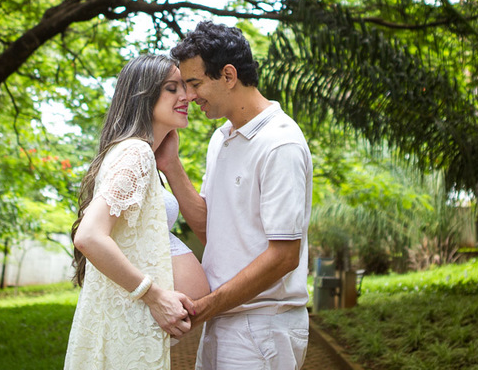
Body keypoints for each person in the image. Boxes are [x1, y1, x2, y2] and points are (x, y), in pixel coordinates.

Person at [156, 22, 314, 370]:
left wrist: (205, 307)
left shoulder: (279, 143)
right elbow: (211, 231)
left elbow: (284, 256)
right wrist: (170, 164)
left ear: (228, 75)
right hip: (224, 320)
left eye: (195, 83)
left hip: (262, 327)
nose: (189, 96)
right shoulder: (222, 138)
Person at [64, 54, 210, 370]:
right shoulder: (136, 152)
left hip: (136, 326)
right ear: (143, 95)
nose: (186, 96)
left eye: (185, 86)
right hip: (133, 321)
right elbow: (88, 236)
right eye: (172, 88)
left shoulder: (142, 154)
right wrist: (155, 295)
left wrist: (169, 160)